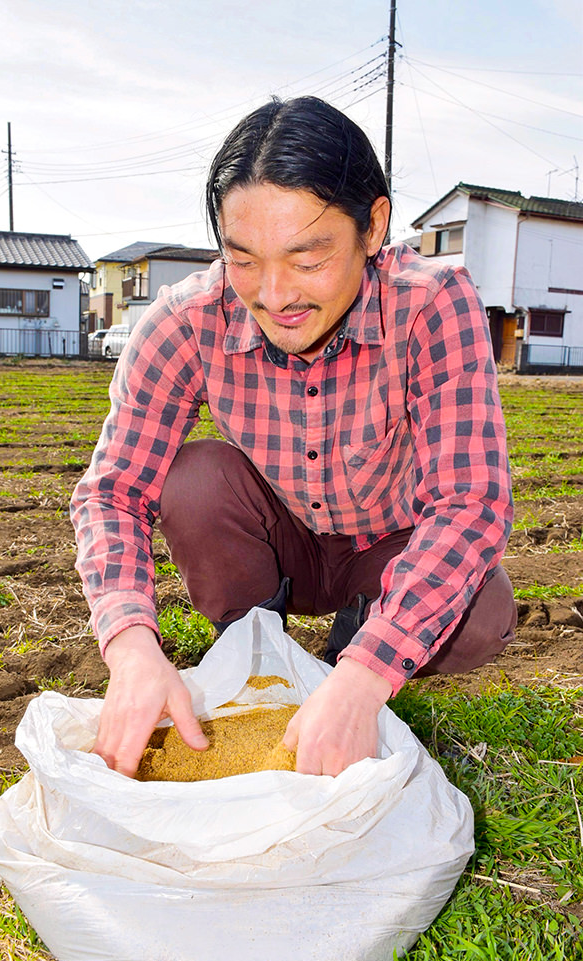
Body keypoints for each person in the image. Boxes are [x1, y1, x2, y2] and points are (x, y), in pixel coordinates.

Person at [70, 95, 516, 779]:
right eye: (243, 259)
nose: (274, 294)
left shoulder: (432, 305)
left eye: (307, 259)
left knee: (480, 608)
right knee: (192, 479)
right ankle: (253, 652)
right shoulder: (186, 321)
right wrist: (130, 648)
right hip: (281, 546)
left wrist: (366, 675)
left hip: (386, 549)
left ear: (374, 227)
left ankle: (347, 663)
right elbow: (113, 494)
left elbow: (470, 502)